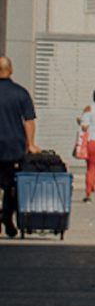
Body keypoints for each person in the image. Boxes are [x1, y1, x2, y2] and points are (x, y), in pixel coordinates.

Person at [0, 55, 39, 239]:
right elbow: (28, 121)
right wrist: (30, 144)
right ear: (11, 70)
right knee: (11, 187)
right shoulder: (20, 93)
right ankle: (7, 217)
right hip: (13, 147)